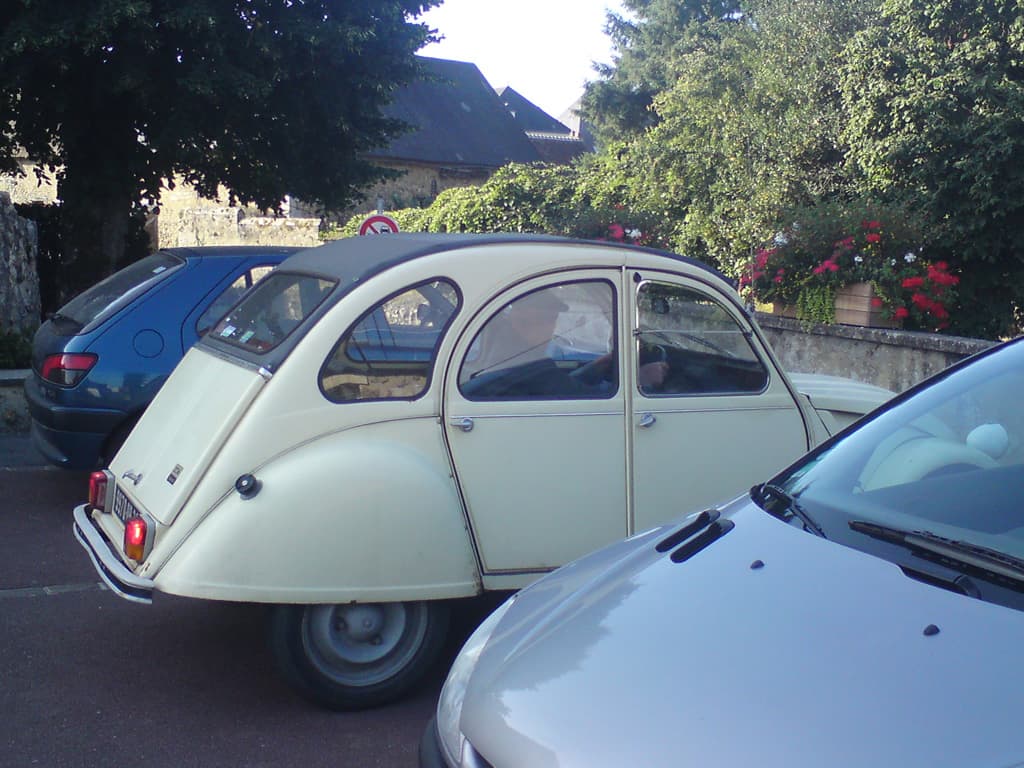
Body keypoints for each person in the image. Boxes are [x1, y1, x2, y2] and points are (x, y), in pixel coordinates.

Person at [460, 287, 668, 399]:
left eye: (552, 320)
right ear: (523, 320)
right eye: (549, 320)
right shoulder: (527, 366)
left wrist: (597, 367)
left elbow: (563, 384)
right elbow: (588, 398)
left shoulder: (507, 351)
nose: (551, 328)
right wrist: (642, 379)